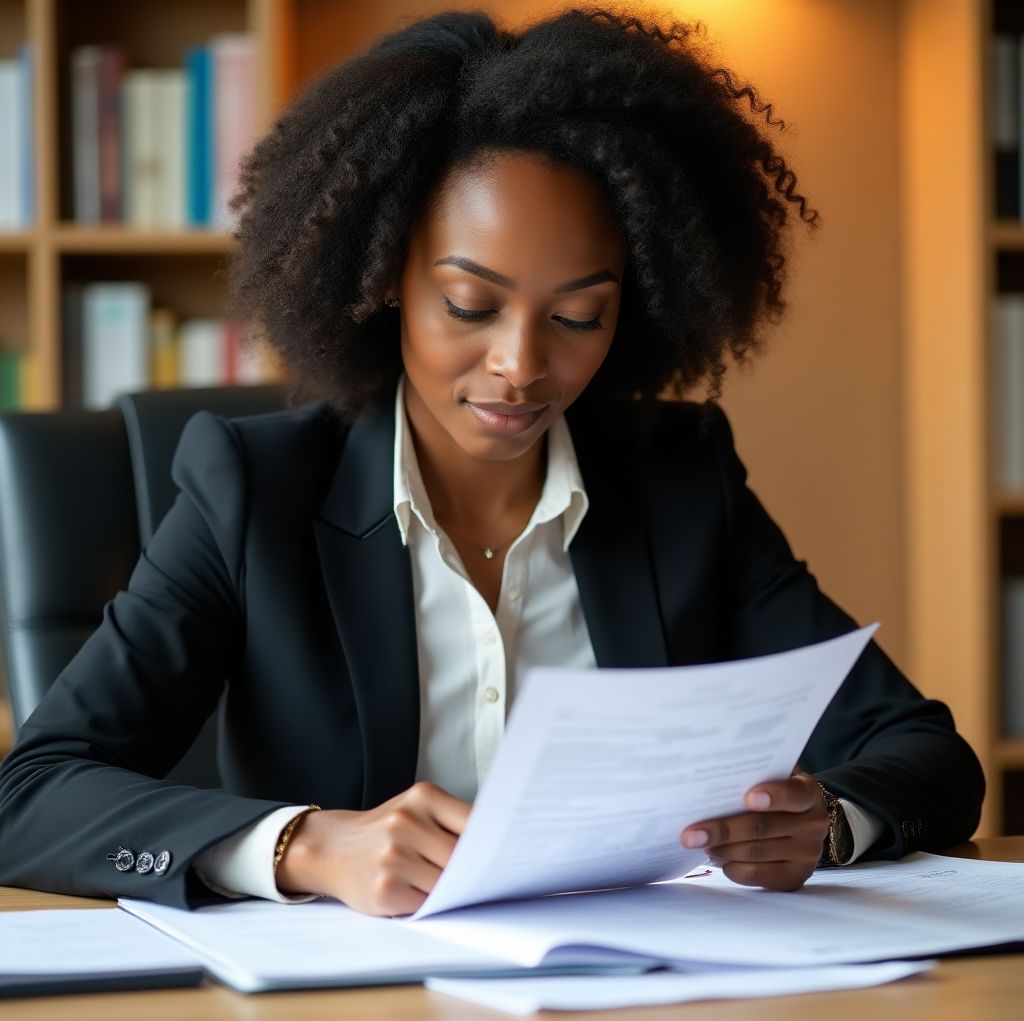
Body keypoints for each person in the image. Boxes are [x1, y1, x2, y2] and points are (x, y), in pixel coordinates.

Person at [0, 6, 983, 916]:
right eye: (470, 306)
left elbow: (924, 753)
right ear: (383, 279)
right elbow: (33, 793)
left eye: (576, 316)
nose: (520, 365)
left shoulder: (679, 480)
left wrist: (826, 821)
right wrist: (305, 845)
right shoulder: (253, 491)